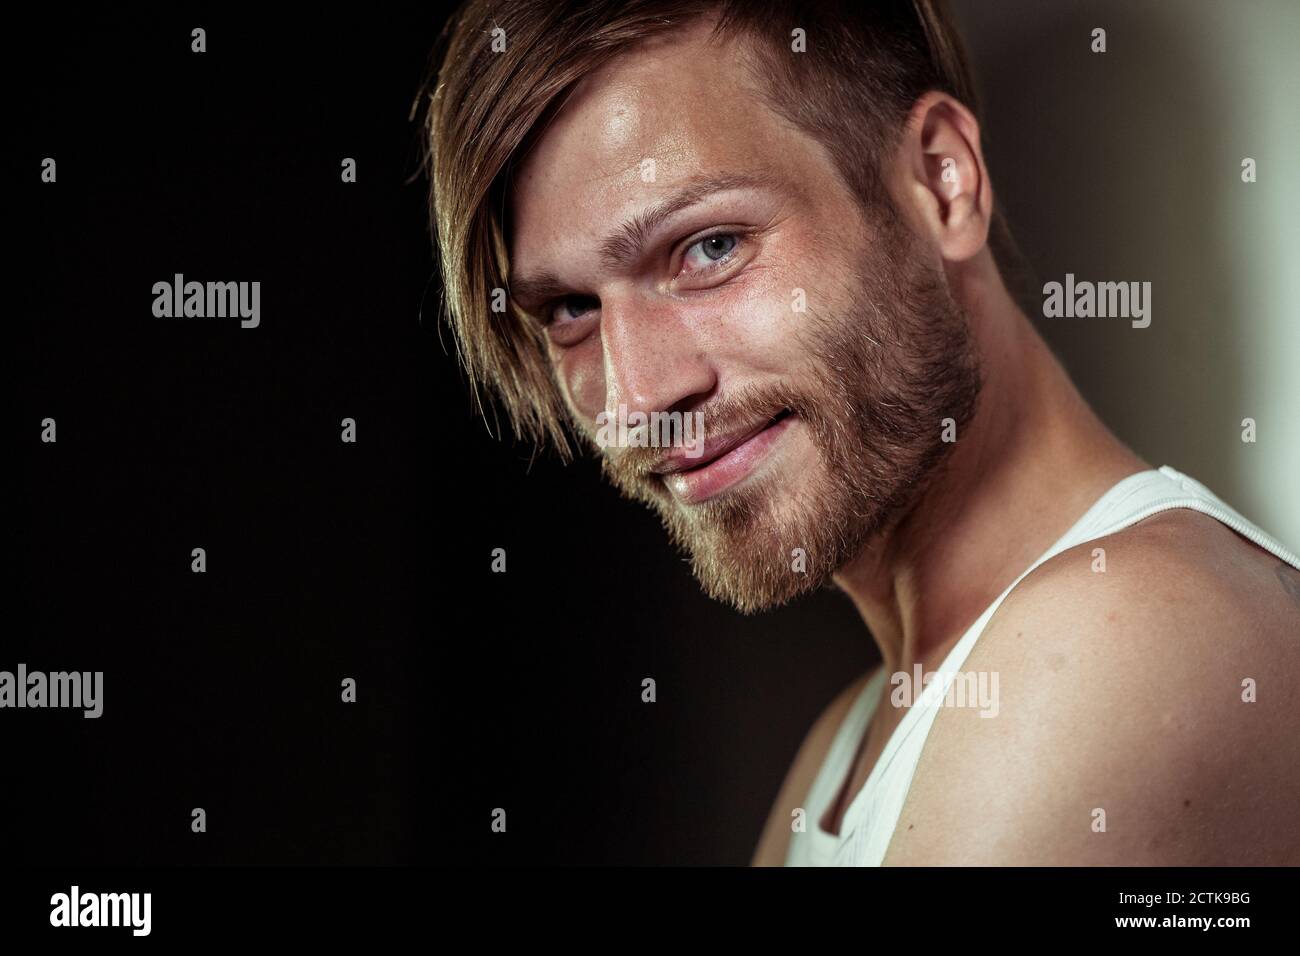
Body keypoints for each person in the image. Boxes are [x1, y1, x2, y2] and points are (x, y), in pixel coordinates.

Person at [413, 0, 1300, 864]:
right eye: (569, 308)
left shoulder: (1118, 640)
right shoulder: (846, 747)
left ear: (943, 182)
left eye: (709, 248)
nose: (638, 395)